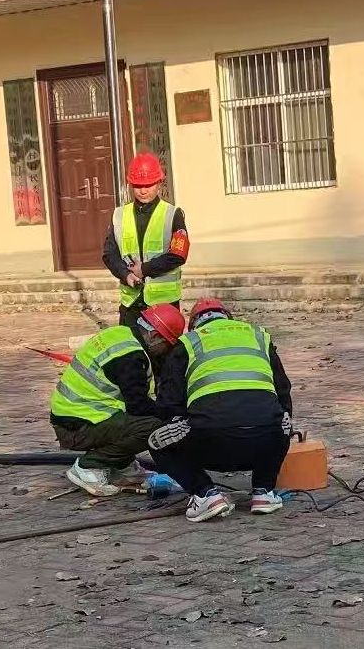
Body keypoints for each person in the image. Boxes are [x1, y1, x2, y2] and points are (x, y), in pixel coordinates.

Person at [148, 298, 294, 523]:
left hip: (212, 441)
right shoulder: (259, 336)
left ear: (194, 324)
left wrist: (185, 421)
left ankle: (206, 494)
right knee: (283, 422)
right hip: (264, 440)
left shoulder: (189, 342)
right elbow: (283, 391)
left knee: (158, 441)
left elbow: (168, 403)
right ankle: (264, 492)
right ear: (228, 317)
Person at [49, 303, 187, 497]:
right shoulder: (131, 357)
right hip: (79, 426)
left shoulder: (121, 334)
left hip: (76, 417)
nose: (166, 353)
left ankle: (123, 467)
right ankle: (89, 466)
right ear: (155, 337)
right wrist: (173, 415)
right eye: (168, 345)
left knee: (137, 422)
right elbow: (138, 406)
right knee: (155, 426)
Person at [103, 153, 189, 330]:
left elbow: (178, 255)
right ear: (130, 185)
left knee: (165, 349)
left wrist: (144, 269)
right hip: (131, 304)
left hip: (164, 305)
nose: (143, 191)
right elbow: (109, 254)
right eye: (138, 185)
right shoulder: (119, 215)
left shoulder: (173, 214)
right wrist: (126, 274)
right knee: (130, 348)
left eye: (148, 185)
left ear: (159, 183)